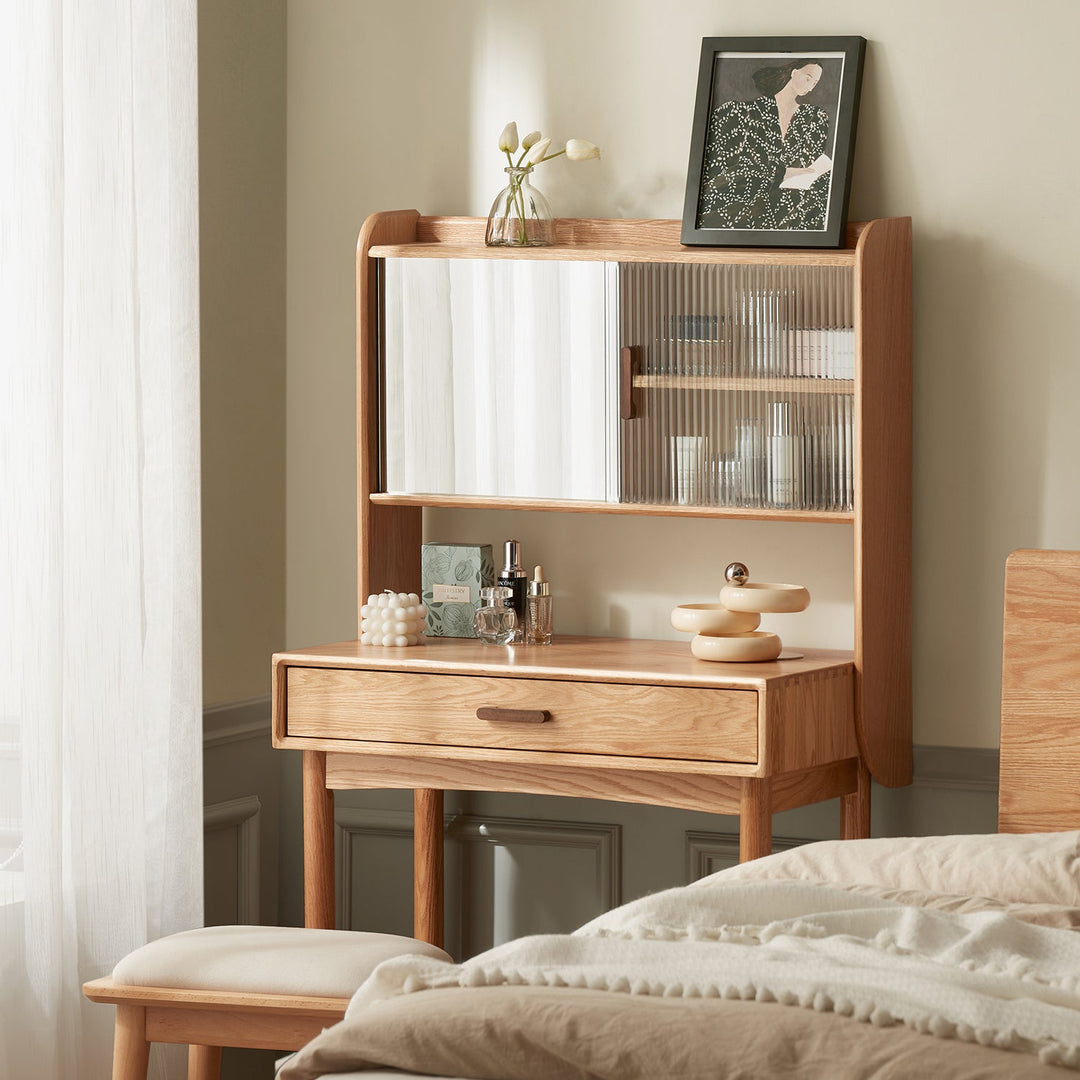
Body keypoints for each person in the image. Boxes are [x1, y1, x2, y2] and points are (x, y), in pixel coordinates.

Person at [699, 59, 832, 231]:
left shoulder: (814, 118)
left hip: (793, 212)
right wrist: (781, 173)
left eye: (815, 83)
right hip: (739, 211)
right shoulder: (738, 114)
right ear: (794, 72)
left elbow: (812, 168)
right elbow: (717, 178)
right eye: (808, 78)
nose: (811, 87)